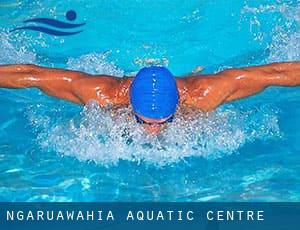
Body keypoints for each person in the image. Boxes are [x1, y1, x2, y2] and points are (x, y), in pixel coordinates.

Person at [0, 62, 299, 134]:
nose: (153, 131)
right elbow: (31, 75)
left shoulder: (204, 94)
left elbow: (273, 74)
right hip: (117, 85)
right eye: (143, 121)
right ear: (130, 105)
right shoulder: (101, 93)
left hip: (191, 84)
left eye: (163, 122)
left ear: (177, 107)